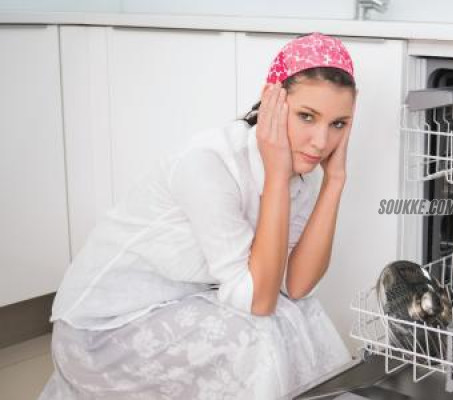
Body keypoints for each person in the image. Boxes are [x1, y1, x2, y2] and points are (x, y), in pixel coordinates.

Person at [38, 32, 356, 399]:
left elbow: (295, 286)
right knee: (259, 334)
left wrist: (335, 180)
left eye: (338, 124)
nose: (321, 142)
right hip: (101, 333)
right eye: (306, 117)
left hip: (179, 304)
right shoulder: (208, 164)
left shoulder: (300, 170)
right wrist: (276, 176)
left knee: (303, 312)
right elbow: (259, 302)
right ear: (272, 101)